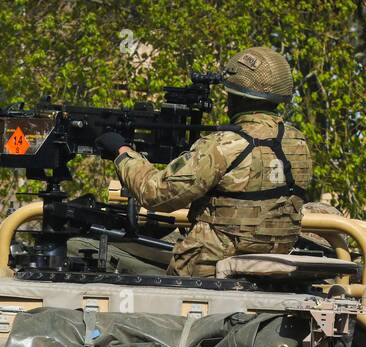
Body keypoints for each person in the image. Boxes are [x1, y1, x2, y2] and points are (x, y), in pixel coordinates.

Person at [96, 46, 314, 277]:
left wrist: (121, 152)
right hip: (274, 263)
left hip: (206, 270)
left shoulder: (223, 145)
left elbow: (155, 193)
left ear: (235, 97)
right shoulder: (298, 143)